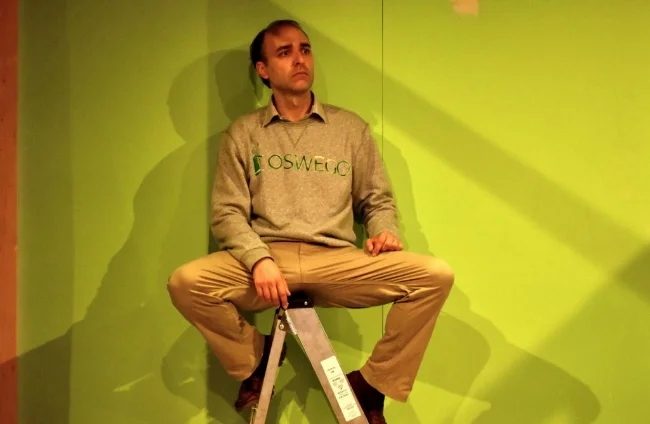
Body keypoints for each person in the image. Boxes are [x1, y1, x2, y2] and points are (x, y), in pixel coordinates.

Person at [167, 19, 455, 423]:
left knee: (435, 276)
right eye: (284, 53)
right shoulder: (244, 133)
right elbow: (227, 213)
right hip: (268, 263)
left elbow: (376, 200)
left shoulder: (349, 128)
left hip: (336, 260)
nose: (299, 59)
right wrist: (259, 259)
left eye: (304, 49)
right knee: (186, 282)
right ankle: (255, 357)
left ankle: (372, 384)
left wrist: (383, 232)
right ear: (264, 70)